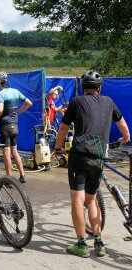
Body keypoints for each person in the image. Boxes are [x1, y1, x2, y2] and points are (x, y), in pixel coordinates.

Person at [54, 70, 130, 258]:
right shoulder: (109, 102)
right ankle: (99, 242)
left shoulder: (77, 102)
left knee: (78, 200)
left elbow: (63, 127)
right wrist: (125, 138)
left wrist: (57, 147)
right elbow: (123, 125)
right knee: (91, 199)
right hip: (99, 157)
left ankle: (81, 244)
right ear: (100, 88)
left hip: (79, 156)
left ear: (83, 88)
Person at [0, 71, 32, 183]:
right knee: (15, 151)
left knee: (6, 153)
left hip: (5, 126)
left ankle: (9, 179)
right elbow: (29, 103)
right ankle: (22, 175)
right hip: (15, 125)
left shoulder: (1, 94)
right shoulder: (15, 91)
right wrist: (18, 113)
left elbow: (0, 110)